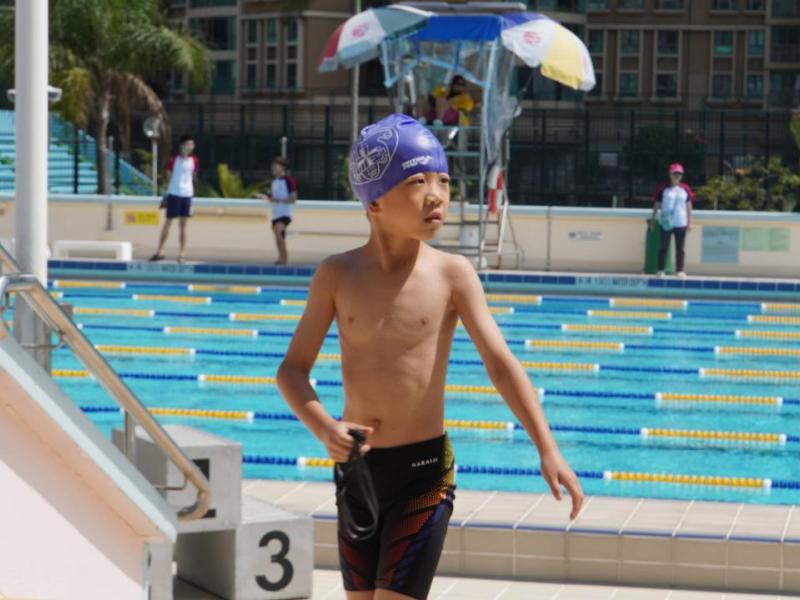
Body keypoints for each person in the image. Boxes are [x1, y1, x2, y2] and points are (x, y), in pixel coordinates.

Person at [276, 114, 583, 600]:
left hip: (424, 474)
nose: (437, 194)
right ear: (374, 200)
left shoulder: (452, 274)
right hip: (357, 472)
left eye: (443, 180)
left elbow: (500, 364)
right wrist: (324, 427)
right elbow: (292, 371)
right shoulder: (337, 275)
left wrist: (547, 448)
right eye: (418, 181)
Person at [150, 134, 198, 263]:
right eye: (189, 144)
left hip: (187, 195)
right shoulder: (173, 160)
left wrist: (191, 192)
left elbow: (193, 176)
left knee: (183, 226)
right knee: (168, 223)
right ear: (182, 146)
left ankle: (182, 254)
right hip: (174, 194)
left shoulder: (194, 160)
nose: (191, 147)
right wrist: (169, 192)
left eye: (192, 144)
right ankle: (160, 251)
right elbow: (168, 176)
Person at [652, 163, 694, 278]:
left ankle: (680, 270)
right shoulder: (663, 188)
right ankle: (660, 270)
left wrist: (690, 222)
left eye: (679, 174)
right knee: (663, 247)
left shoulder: (685, 189)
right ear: (670, 174)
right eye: (675, 173)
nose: (677, 176)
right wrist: (653, 219)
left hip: (681, 222)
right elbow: (656, 204)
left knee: (680, 248)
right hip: (666, 222)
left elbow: (689, 206)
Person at [255, 157, 297, 265]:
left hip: (285, 214)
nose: (273, 168)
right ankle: (280, 258)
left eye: (276, 166)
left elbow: (293, 199)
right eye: (273, 166)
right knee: (278, 237)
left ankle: (284, 259)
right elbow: (273, 197)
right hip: (275, 214)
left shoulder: (289, 180)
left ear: (283, 167)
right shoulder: (274, 182)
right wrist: (265, 197)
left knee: (279, 232)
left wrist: (276, 200)